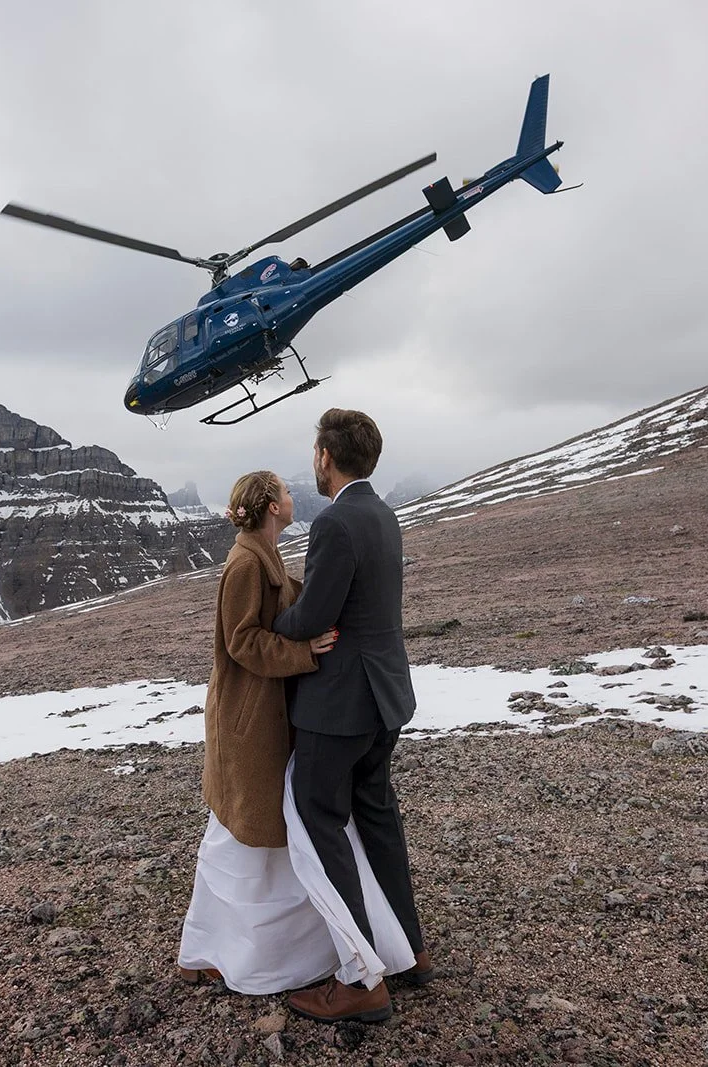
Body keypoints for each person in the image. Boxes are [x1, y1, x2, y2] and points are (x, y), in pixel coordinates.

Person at [273, 408, 432, 1024]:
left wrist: (269, 625)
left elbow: (315, 617)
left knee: (317, 819)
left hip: (340, 704)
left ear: (324, 458)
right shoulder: (384, 514)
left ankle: (361, 979)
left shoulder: (335, 523)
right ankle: (409, 951)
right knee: (376, 816)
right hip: (386, 699)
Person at [174, 471, 341, 994]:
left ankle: (231, 950)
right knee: (240, 835)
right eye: (287, 493)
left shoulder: (261, 552)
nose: (294, 499)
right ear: (271, 506)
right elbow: (241, 640)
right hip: (247, 721)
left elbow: (280, 603)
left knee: (248, 833)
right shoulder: (246, 562)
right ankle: (214, 950)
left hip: (261, 715)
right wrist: (303, 652)